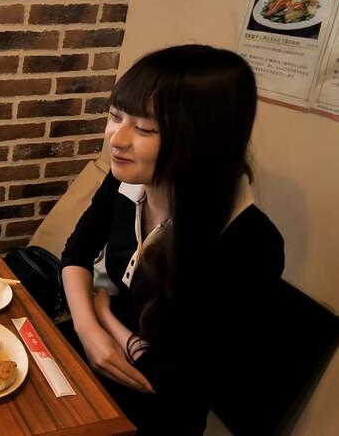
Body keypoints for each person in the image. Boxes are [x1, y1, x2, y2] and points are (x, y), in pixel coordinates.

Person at [60, 45, 284, 434]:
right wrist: (87, 326)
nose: (117, 138)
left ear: (203, 139)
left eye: (145, 128)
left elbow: (183, 378)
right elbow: (76, 253)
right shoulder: (126, 178)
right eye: (115, 116)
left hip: (157, 405)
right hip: (100, 355)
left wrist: (105, 315)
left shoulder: (248, 242)